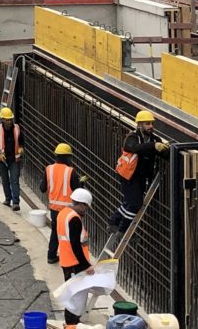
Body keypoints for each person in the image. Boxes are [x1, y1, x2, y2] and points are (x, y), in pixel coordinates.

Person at [107, 110, 169, 249]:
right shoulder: (132, 137)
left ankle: (113, 221)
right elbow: (132, 147)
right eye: (147, 124)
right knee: (135, 204)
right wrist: (153, 146)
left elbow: (162, 152)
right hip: (128, 175)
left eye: (152, 123)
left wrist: (169, 150)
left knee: (130, 202)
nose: (151, 126)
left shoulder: (155, 140)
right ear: (140, 125)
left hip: (141, 177)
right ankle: (123, 231)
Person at [57, 188, 95, 329]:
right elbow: (75, 245)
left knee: (72, 295)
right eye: (85, 207)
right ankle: (71, 325)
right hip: (74, 264)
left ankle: (71, 323)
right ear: (81, 204)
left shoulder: (64, 213)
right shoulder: (74, 219)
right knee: (75, 298)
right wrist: (86, 265)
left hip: (67, 261)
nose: (86, 210)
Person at [40, 143, 85, 264]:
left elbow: (42, 188)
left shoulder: (48, 169)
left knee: (55, 232)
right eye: (70, 157)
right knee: (71, 235)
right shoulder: (71, 171)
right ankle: (71, 259)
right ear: (66, 157)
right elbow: (77, 192)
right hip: (68, 210)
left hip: (54, 209)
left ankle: (51, 256)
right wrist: (81, 183)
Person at [0, 107, 24, 210]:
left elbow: (21, 141)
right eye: (6, 120)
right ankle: (8, 200)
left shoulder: (17, 128)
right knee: (5, 180)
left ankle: (16, 203)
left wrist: (21, 148)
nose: (9, 122)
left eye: (10, 119)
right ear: (2, 119)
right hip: (2, 159)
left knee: (14, 180)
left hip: (14, 159)